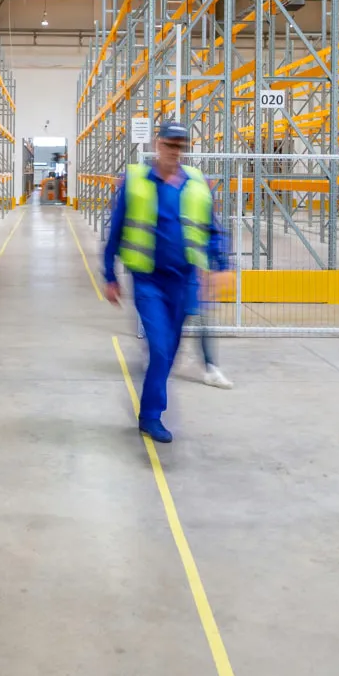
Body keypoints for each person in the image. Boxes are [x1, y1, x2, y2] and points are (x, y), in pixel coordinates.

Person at [103, 121, 232, 444]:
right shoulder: (135, 182)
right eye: (169, 144)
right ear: (157, 144)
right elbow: (116, 230)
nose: (174, 152)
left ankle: (150, 410)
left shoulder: (197, 184)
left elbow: (211, 229)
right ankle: (150, 415)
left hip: (185, 280)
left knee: (170, 350)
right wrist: (109, 274)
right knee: (160, 349)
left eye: (180, 146)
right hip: (148, 280)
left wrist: (222, 264)